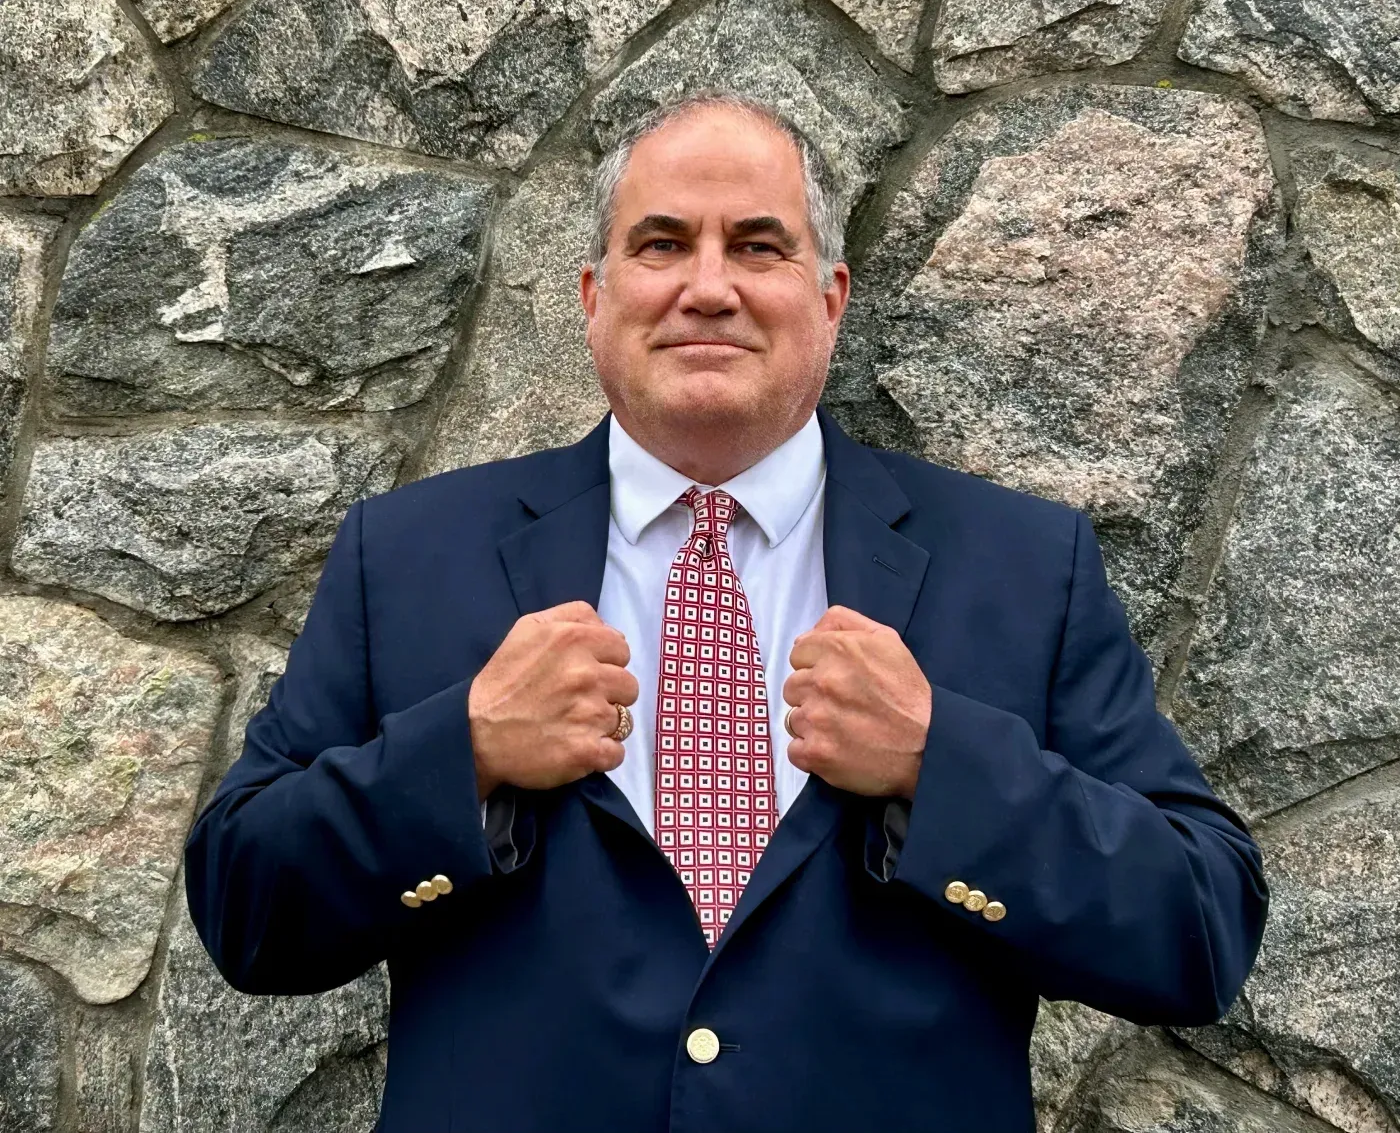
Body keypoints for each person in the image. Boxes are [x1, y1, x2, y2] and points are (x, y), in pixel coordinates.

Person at [184, 90, 1268, 1133]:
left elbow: (1198, 929)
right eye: (660, 244)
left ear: (830, 298)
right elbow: (245, 910)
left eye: (757, 245)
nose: (707, 286)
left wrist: (943, 767)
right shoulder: (409, 554)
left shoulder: (1023, 565)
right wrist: (457, 751)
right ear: (592, 296)